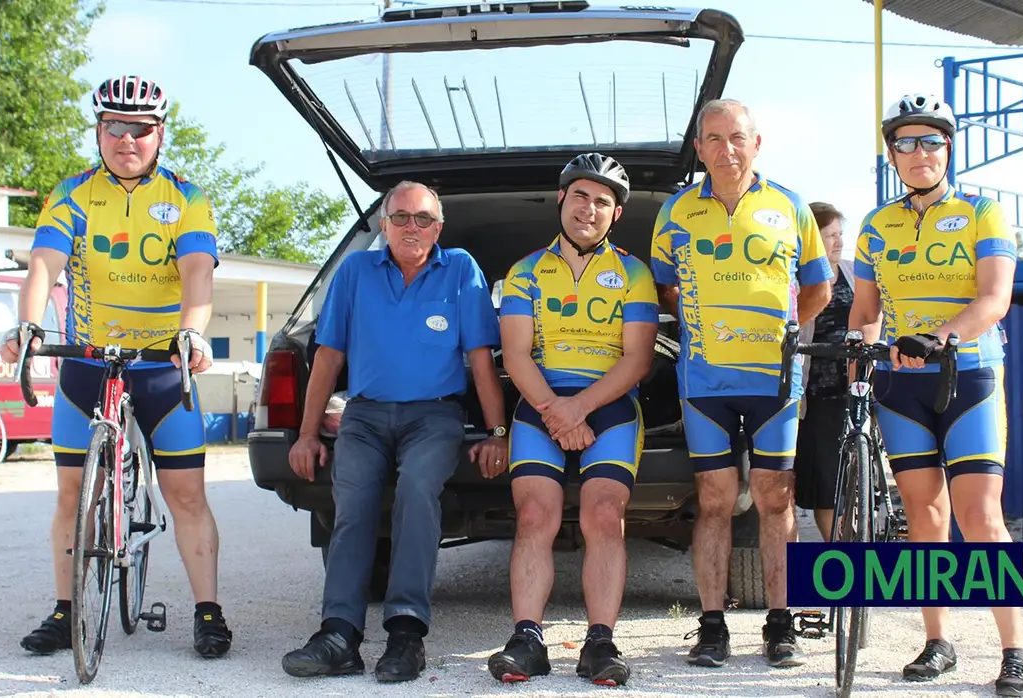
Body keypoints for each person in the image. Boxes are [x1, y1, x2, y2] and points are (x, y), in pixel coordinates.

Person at [1, 75, 232, 659]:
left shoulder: (185, 197)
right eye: (114, 127)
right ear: (99, 130)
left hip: (159, 365)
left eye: (141, 129)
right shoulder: (75, 192)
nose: (126, 139)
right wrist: (28, 327)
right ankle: (65, 610)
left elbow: (197, 273)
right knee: (71, 491)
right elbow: (43, 265)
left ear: (160, 134)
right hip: (87, 363)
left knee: (185, 496)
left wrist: (191, 334)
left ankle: (208, 612)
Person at [282, 180, 508, 684]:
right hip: (364, 416)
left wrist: (497, 431)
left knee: (416, 490)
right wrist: (306, 433)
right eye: (401, 217)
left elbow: (481, 361)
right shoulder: (356, 271)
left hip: (435, 417)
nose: (412, 226)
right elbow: (327, 356)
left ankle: (407, 634)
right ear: (383, 224)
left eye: (423, 218)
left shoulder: (461, 271)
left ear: (439, 227)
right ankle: (339, 635)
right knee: (352, 503)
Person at [847, 92, 1023, 697]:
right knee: (924, 519)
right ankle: (938, 641)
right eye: (905, 142)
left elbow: (993, 299)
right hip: (903, 388)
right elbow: (867, 310)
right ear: (892, 153)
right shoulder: (877, 224)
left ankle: (1015, 650)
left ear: (947, 148)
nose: (918, 151)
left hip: (969, 377)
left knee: (981, 518)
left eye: (930, 140)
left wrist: (938, 336)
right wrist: (857, 363)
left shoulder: (983, 211)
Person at [651, 98, 833, 668]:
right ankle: (711, 625)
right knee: (714, 500)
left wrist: (779, 336)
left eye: (736, 137)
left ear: (757, 143)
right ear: (699, 148)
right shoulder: (677, 211)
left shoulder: (790, 205)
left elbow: (819, 290)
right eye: (712, 138)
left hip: (775, 381)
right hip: (704, 381)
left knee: (778, 498)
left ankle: (780, 625)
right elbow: (663, 289)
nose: (725, 149)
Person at [486, 153, 658, 687]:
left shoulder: (634, 273)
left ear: (616, 214)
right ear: (562, 199)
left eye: (603, 201)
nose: (589, 208)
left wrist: (578, 410)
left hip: (607, 406)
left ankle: (601, 641)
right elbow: (515, 355)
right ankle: (527, 639)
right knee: (536, 515)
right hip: (540, 405)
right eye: (581, 195)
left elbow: (639, 358)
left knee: (605, 515)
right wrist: (556, 413)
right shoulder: (525, 272)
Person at [795, 202, 856, 540]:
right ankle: (838, 551)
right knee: (826, 480)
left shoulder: (852, 272)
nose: (838, 242)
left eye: (840, 234)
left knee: (851, 477)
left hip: (854, 387)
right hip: (815, 392)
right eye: (829, 235)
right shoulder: (797, 278)